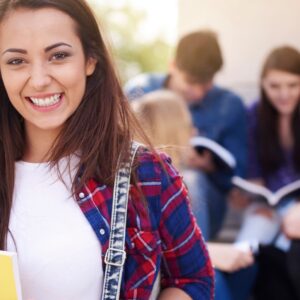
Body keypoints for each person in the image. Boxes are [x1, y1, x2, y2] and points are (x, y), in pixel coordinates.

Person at [0, 1, 214, 300]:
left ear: (90, 60)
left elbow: (192, 279)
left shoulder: (146, 174)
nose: (38, 80)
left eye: (58, 56)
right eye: (16, 61)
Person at [132, 90, 256, 300]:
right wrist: (211, 252)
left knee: (245, 270)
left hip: (166, 273)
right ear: (173, 132)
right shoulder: (183, 182)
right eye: (188, 126)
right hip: (162, 278)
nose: (195, 132)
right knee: (217, 277)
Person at [125, 30, 247, 240]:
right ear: (173, 66)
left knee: (189, 179)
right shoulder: (140, 91)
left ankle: (197, 259)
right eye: (191, 82)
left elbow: (238, 174)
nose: (198, 92)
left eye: (206, 83)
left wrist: (209, 166)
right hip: (144, 184)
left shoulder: (229, 106)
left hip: (203, 197)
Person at [234, 46, 300, 300]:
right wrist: (253, 198)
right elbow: (254, 172)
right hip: (268, 205)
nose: (284, 94)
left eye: (292, 85)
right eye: (275, 86)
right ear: (263, 84)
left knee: (287, 249)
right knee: (246, 248)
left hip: (296, 206)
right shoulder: (254, 115)